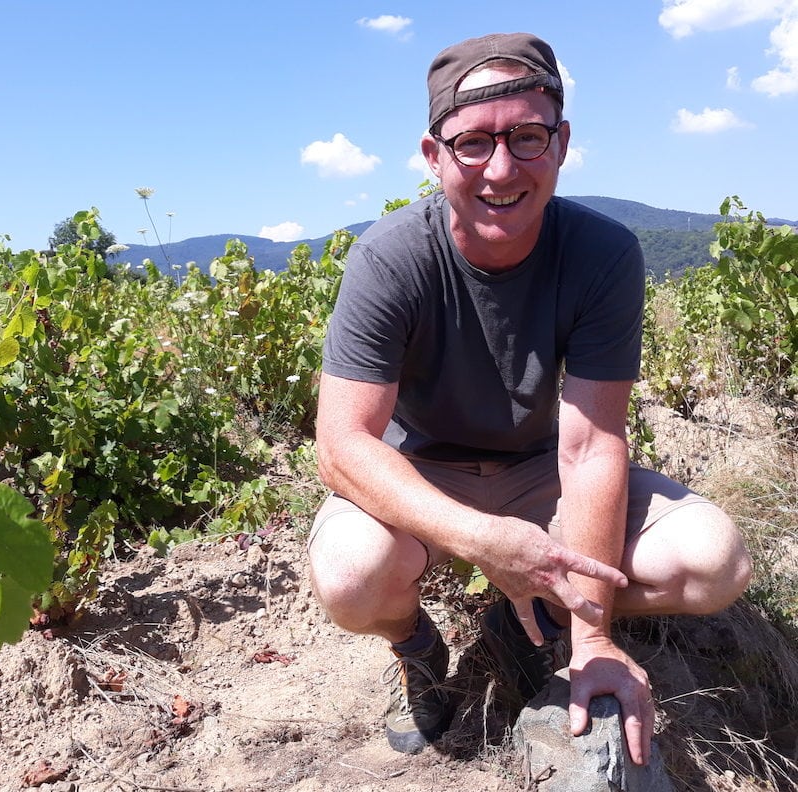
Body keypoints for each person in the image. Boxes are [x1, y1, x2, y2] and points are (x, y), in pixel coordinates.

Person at [308, 32, 752, 764]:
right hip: (424, 474)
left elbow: (589, 444)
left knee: (714, 564)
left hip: (546, 475)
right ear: (434, 156)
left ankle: (541, 614)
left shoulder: (602, 254)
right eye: (474, 144)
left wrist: (595, 637)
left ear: (562, 143)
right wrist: (483, 542)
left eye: (527, 136)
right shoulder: (389, 258)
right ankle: (415, 646)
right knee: (353, 579)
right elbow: (343, 445)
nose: (502, 168)